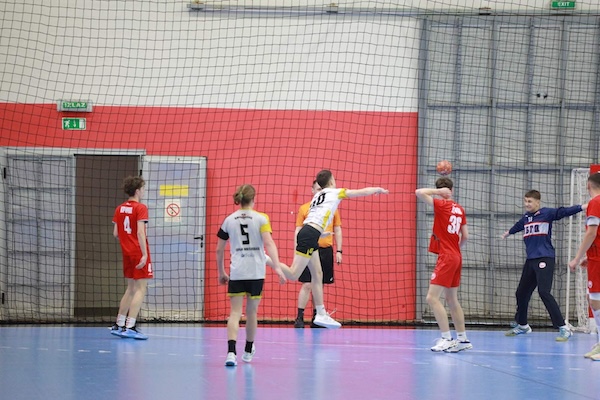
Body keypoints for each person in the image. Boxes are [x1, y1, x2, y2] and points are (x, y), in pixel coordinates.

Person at [279, 169, 388, 329]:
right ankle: (266, 259)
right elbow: (360, 192)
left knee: (318, 274)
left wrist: (321, 234)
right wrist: (377, 189)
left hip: (311, 234)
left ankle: (321, 313)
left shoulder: (317, 196)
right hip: (309, 235)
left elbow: (316, 219)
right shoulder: (334, 193)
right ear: (331, 181)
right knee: (294, 274)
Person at [216, 184, 287, 367]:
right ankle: (248, 351)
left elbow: (219, 249)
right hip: (256, 271)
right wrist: (277, 267)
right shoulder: (261, 218)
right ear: (254, 199)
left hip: (237, 271)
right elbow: (269, 243)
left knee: (234, 313)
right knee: (251, 312)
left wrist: (221, 272)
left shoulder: (229, 220)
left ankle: (231, 353)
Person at [502, 190, 585, 342]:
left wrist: (581, 207)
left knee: (544, 292)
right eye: (525, 201)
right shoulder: (526, 217)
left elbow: (563, 212)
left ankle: (563, 328)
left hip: (545, 258)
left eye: (530, 201)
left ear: (537, 202)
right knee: (521, 293)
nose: (527, 204)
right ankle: (523, 325)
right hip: (531, 260)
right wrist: (509, 232)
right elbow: (519, 225)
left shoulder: (546, 213)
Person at [415, 177, 471, 352]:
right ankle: (462, 339)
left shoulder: (441, 205)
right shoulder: (459, 209)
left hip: (446, 256)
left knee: (431, 298)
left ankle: (446, 338)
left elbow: (419, 192)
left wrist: (437, 192)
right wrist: (455, 249)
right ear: (452, 190)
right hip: (456, 255)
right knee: (451, 299)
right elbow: (466, 236)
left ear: (441, 191)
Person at [293, 180, 343, 328]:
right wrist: (296, 249)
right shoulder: (305, 208)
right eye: (318, 189)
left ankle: (318, 316)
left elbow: (337, 229)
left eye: (322, 189)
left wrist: (339, 250)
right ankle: (300, 317)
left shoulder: (332, 206)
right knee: (307, 283)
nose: (321, 191)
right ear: (312, 190)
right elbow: (298, 230)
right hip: (310, 248)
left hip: (325, 250)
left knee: (319, 283)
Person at [110, 175, 153, 340]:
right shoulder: (140, 208)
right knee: (141, 289)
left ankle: (119, 324)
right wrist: (144, 254)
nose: (143, 191)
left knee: (130, 288)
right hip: (138, 251)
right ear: (137, 190)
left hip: (126, 252)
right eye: (143, 188)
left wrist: (127, 241)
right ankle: (130, 326)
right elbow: (141, 232)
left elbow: (116, 233)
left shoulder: (119, 208)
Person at [569, 173, 600, 359]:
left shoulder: (595, 202)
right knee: (592, 299)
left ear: (588, 185)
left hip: (598, 258)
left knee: (595, 300)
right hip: (595, 257)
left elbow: (591, 233)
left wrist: (577, 257)